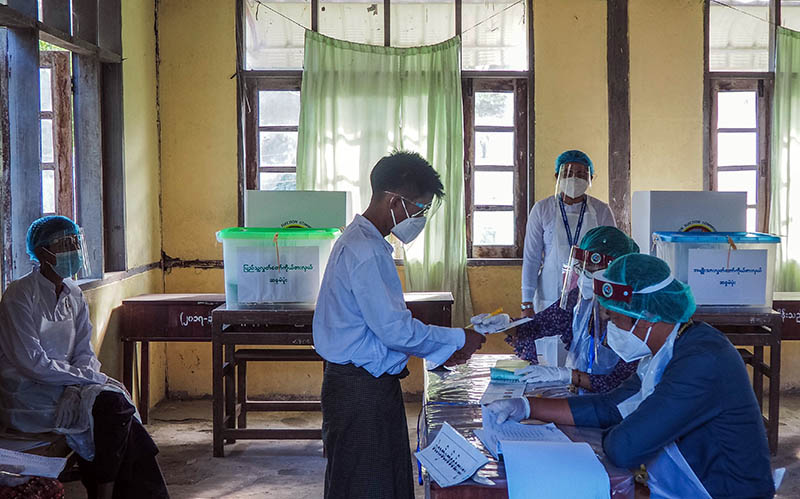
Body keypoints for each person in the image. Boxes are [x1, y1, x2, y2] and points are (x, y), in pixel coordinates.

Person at [487, 254, 775, 498]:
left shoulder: (701, 361)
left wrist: (619, 429)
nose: (609, 326)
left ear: (647, 315)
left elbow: (625, 447)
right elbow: (610, 406)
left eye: (614, 319)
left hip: (722, 491)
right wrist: (527, 406)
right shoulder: (664, 351)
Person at [313, 151, 486, 499]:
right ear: (394, 202)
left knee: (377, 479)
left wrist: (442, 350)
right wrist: (457, 339)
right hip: (359, 389)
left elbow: (382, 328)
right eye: (419, 209)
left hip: (365, 383)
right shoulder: (367, 251)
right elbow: (395, 330)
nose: (421, 218)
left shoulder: (363, 241)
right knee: (366, 483)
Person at [0, 216, 169, 499]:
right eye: (66, 244)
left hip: (68, 384)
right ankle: (106, 491)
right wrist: (83, 381)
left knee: (116, 414)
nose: (74, 250)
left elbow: (84, 352)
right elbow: (31, 362)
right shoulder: (20, 294)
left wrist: (79, 385)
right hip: (30, 393)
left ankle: (114, 490)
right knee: (114, 408)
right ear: (43, 252)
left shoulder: (73, 293)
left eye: (76, 242)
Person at [509, 226, 640, 393]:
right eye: (582, 266)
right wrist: (505, 325)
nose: (584, 273)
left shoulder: (631, 314)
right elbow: (538, 325)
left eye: (592, 267)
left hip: (618, 405)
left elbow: (619, 384)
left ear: (615, 268)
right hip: (581, 396)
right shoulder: (578, 299)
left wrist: (568, 376)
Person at [521, 150, 615, 316]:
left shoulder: (601, 210)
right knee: (551, 340)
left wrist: (610, 299)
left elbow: (613, 255)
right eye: (568, 173)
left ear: (590, 178)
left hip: (590, 293)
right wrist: (526, 302)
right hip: (550, 292)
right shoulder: (542, 209)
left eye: (580, 174)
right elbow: (531, 258)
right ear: (557, 177)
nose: (574, 179)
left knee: (585, 338)